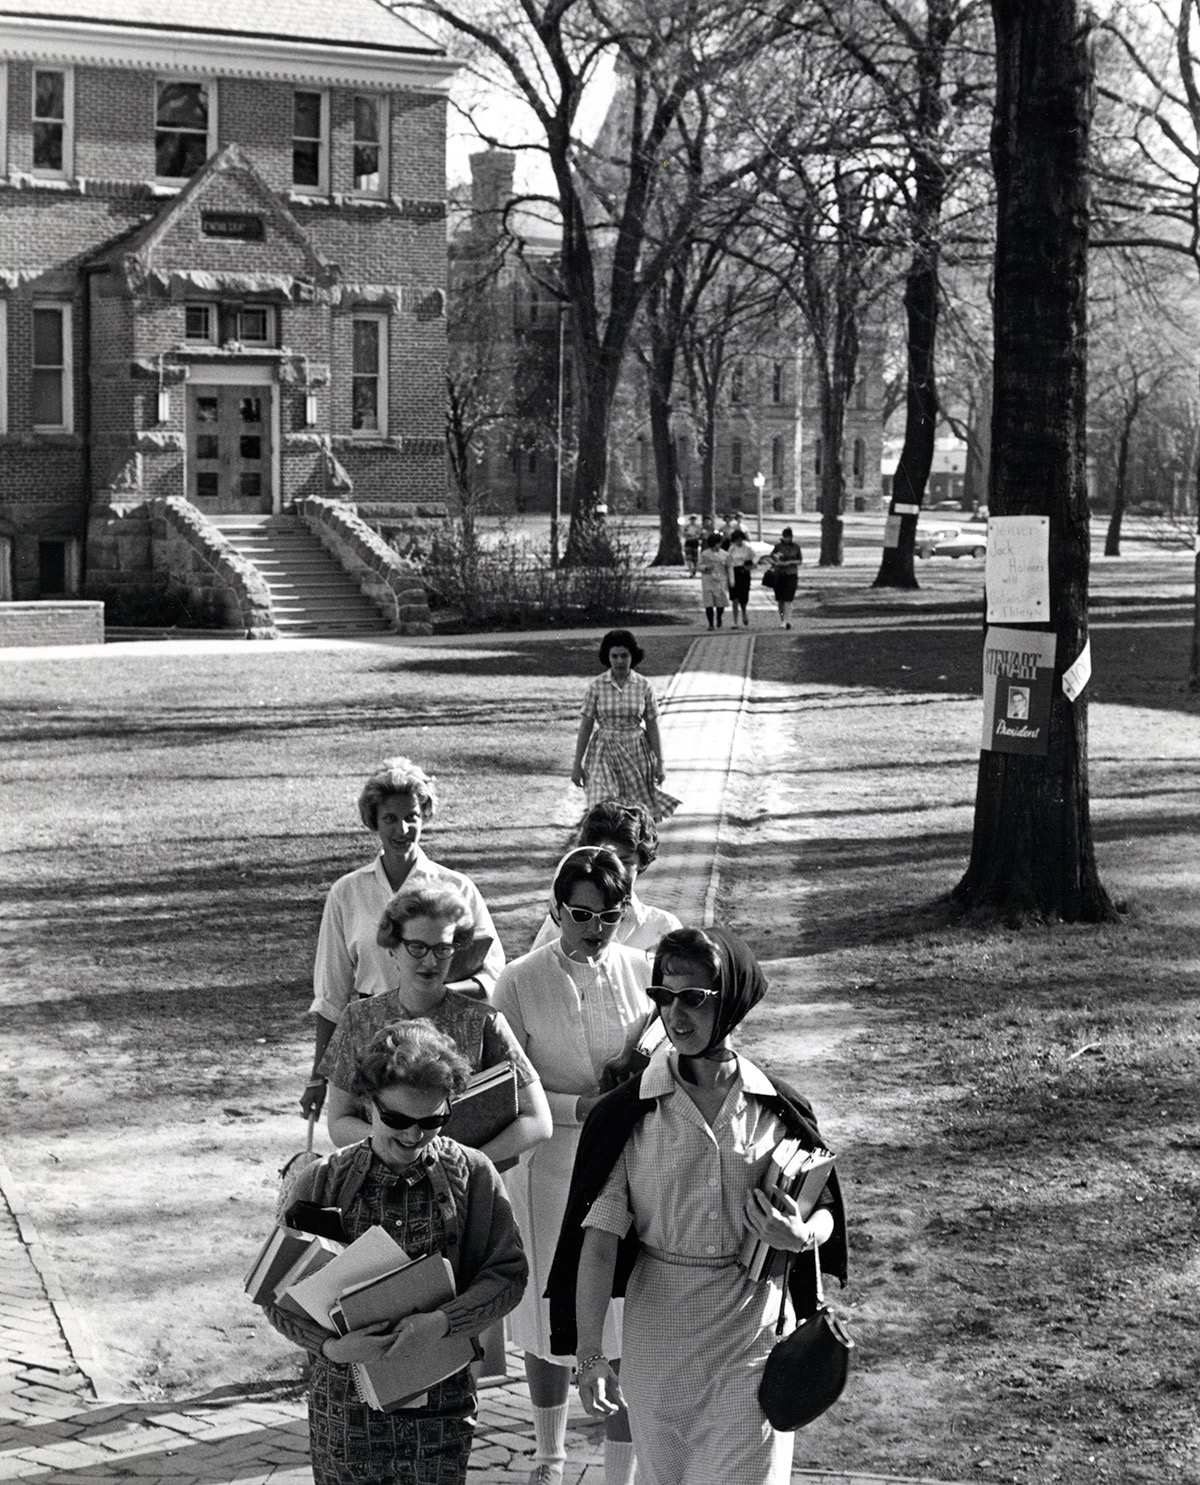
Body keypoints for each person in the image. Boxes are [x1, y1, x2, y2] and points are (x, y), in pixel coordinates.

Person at [547, 926, 848, 1485]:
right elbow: (598, 1243)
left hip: (752, 1335)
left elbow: (824, 1206)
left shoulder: (777, 1108)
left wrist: (801, 1235)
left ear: (730, 1001)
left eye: (694, 999)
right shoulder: (628, 1114)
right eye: (662, 997)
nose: (675, 1015)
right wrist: (590, 1356)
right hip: (658, 1341)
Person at [265, 1021, 528, 1485]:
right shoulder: (322, 1182)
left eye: (432, 1121)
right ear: (368, 1104)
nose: (414, 1136)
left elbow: (506, 1275)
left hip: (440, 1403)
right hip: (345, 1410)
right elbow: (275, 1294)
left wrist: (443, 1323)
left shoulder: (473, 1174)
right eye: (398, 1121)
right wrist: (330, 1346)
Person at [493, 848, 655, 1485]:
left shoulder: (643, 971)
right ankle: (548, 1456)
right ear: (556, 909)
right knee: (545, 1310)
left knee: (619, 1313)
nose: (594, 927)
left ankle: (619, 1472)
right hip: (550, 1163)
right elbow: (506, 1085)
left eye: (609, 916)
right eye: (581, 913)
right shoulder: (520, 980)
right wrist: (577, 1105)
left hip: (626, 1164)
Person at [303, 758, 505, 1119]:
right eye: (390, 819)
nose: (403, 828)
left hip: (444, 1036)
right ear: (373, 822)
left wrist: (433, 994)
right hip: (369, 1035)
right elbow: (331, 994)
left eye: (412, 816)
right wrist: (318, 1077)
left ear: (425, 816)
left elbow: (492, 976)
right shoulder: (347, 893)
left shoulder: (457, 887)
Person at [319, 880, 552, 1169]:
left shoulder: (483, 1022)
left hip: (461, 1188)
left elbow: (539, 1121)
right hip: (378, 1181)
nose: (430, 961)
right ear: (393, 947)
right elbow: (339, 1120)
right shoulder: (359, 1019)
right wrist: (404, 1147)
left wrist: (464, 1162)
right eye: (417, 947)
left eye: (442, 948)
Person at [529, 802, 681, 954]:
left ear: (642, 863)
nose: (613, 871)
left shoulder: (662, 928)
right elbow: (534, 970)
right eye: (606, 859)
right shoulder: (563, 923)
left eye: (625, 862)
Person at [571, 630, 679, 822]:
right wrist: (576, 764)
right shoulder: (596, 686)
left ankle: (634, 848)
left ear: (633, 656)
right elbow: (586, 725)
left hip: (635, 752)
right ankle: (604, 849)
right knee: (603, 805)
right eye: (614, 656)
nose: (620, 661)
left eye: (624, 656)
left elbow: (652, 725)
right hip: (603, 752)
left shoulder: (644, 685)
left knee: (633, 812)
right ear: (607, 657)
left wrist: (660, 763)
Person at [767, 527, 803, 629]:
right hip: (780, 575)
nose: (786, 539)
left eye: (788, 537)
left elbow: (800, 560)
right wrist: (778, 562)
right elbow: (771, 559)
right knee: (780, 600)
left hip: (791, 574)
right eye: (785, 537)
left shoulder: (796, 547)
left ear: (791, 537)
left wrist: (790, 562)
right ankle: (782, 619)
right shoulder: (778, 547)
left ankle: (788, 620)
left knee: (788, 599)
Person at [698, 533, 732, 630]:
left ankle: (719, 617)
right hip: (708, 579)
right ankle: (710, 623)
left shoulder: (725, 554)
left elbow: (729, 567)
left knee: (720, 601)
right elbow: (698, 566)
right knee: (709, 602)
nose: (719, 545)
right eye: (718, 543)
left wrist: (730, 579)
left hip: (720, 580)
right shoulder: (705, 554)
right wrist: (705, 567)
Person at [726, 528, 757, 628]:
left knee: (743, 596)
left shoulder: (747, 548)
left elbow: (754, 560)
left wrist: (749, 567)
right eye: (737, 540)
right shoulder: (731, 549)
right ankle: (735, 621)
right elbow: (728, 562)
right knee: (734, 598)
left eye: (740, 539)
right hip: (734, 572)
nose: (739, 542)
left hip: (744, 572)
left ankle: (744, 612)